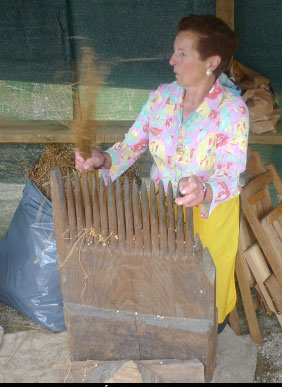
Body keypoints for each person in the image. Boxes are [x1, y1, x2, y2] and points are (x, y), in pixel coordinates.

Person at [75, 14, 249, 333]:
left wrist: (204, 190)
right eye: (174, 51)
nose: (171, 60)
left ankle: (204, 347)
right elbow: (132, 145)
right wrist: (102, 159)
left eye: (182, 53)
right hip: (162, 211)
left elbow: (229, 173)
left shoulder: (231, 110)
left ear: (211, 61)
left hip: (208, 219)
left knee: (204, 298)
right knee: (165, 287)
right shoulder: (162, 97)